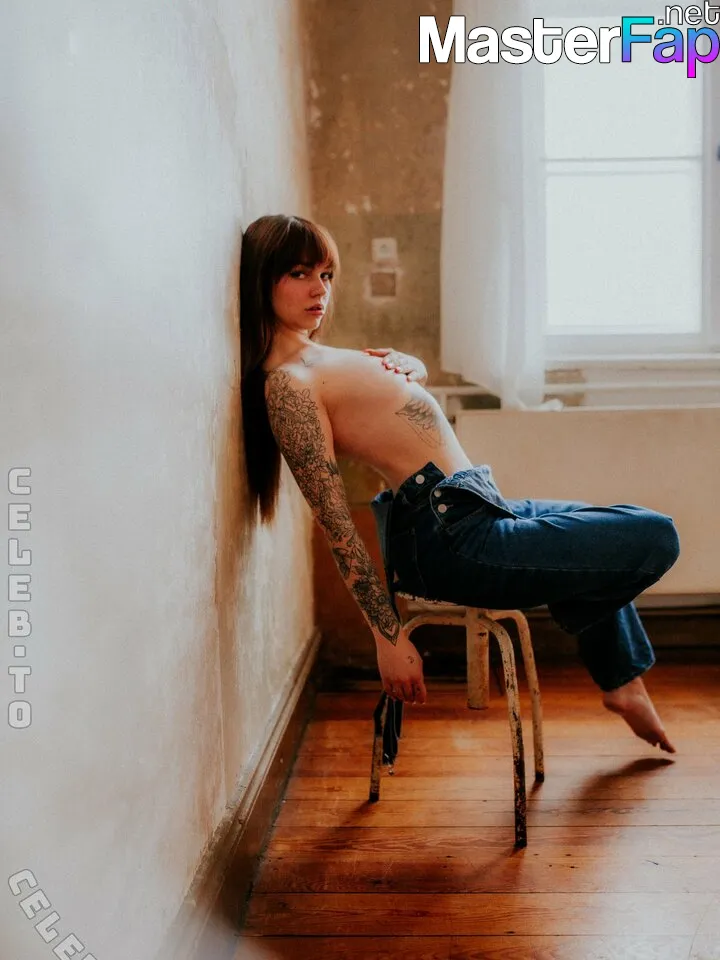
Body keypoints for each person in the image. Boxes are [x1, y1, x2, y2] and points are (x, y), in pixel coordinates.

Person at [240, 213, 681, 754]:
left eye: (326, 275)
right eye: (300, 274)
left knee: (596, 528)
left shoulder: (316, 357)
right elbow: (336, 526)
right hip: (454, 541)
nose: (319, 289)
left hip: (477, 507)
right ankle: (614, 667)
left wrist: (413, 370)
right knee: (655, 534)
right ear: (262, 280)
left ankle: (622, 682)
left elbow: (387, 412)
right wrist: (388, 638)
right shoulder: (288, 385)